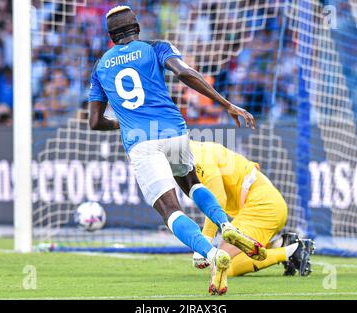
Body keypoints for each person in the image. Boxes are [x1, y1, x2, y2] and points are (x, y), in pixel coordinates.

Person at [88, 6, 264, 296]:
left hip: (141, 142)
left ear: (110, 36)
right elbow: (185, 73)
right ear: (137, 29)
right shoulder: (156, 48)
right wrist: (226, 104)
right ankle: (225, 224)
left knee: (170, 210)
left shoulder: (100, 66)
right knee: (192, 181)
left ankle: (211, 254)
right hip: (174, 130)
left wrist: (123, 124)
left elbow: (95, 122)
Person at [189, 141, 315, 277]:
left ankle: (293, 251)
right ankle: (281, 245)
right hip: (267, 204)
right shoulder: (197, 150)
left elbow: (219, 198)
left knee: (220, 265)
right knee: (222, 259)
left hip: (263, 206)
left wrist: (205, 241)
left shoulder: (199, 157)